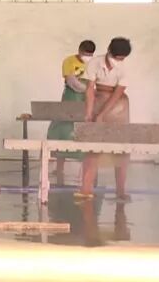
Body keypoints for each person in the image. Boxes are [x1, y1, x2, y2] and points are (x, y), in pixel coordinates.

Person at [78, 37, 133, 201]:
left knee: (121, 149)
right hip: (98, 99)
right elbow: (90, 89)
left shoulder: (124, 68)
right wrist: (89, 113)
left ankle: (121, 191)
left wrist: (102, 115)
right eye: (116, 57)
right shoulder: (95, 63)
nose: (118, 61)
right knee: (93, 148)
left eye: (122, 59)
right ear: (109, 51)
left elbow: (117, 93)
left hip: (118, 105)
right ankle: (86, 189)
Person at [46, 40, 96, 183]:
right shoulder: (69, 61)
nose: (87, 57)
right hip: (71, 97)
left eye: (90, 54)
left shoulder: (94, 64)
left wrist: (91, 93)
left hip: (86, 100)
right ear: (79, 50)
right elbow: (72, 82)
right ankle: (59, 167)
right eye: (85, 53)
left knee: (83, 130)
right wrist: (88, 89)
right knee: (62, 130)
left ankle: (85, 169)